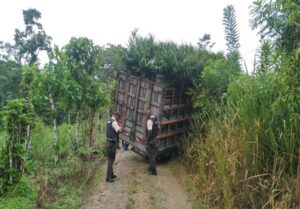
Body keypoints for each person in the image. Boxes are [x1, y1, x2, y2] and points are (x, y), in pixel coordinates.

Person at [106, 112, 124, 182]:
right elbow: (118, 130)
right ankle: (108, 177)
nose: (118, 119)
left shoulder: (109, 120)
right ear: (116, 116)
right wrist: (121, 127)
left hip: (108, 142)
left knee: (111, 159)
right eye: (118, 118)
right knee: (111, 160)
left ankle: (111, 174)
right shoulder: (114, 122)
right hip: (111, 143)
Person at [146, 111, 159, 175]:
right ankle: (150, 168)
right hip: (156, 139)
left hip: (151, 140)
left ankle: (153, 171)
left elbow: (150, 131)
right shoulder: (156, 119)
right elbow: (158, 129)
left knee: (152, 155)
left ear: (149, 114)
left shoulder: (149, 121)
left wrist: (148, 139)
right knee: (152, 154)